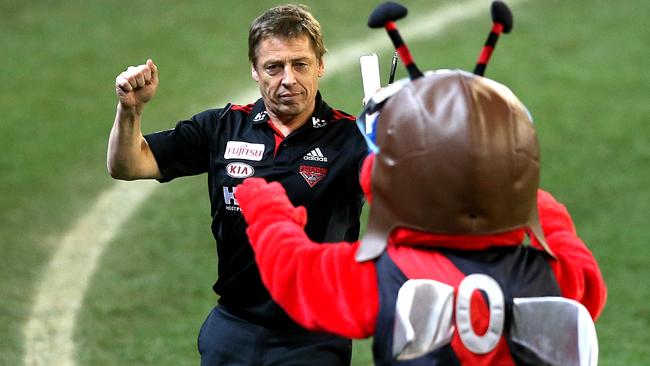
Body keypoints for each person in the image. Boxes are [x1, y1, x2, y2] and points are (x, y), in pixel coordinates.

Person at [235, 69, 608, 365]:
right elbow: (588, 284)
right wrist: (548, 213)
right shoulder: (550, 274)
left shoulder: (383, 272)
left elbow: (297, 273)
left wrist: (267, 209)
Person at [107, 4, 367, 365]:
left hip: (313, 338)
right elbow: (128, 165)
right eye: (274, 67)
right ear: (255, 72)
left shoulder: (353, 138)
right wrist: (130, 110)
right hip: (233, 326)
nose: (288, 78)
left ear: (320, 65)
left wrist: (396, 143)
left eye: (300, 64)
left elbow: (407, 197)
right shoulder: (222, 127)